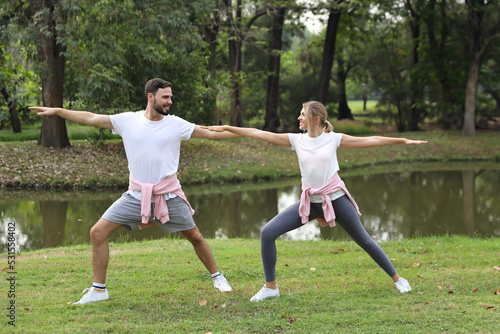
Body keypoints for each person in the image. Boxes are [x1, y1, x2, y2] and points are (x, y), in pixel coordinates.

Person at [29, 78, 241, 304]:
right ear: (150, 97)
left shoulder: (176, 124)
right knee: (97, 232)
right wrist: (59, 111)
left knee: (195, 236)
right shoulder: (127, 121)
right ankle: (99, 290)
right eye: (165, 97)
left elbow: (212, 133)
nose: (170, 101)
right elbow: (91, 118)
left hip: (168, 195)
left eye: (171, 97)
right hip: (135, 196)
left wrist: (249, 133)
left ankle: (217, 277)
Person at [206, 101, 427, 302]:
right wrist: (227, 128)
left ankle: (398, 279)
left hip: (336, 200)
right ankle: (271, 287)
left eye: (302, 115)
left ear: (316, 119)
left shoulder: (333, 139)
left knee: (365, 241)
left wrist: (402, 140)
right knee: (267, 233)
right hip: (310, 203)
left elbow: (370, 140)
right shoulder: (296, 140)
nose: (298, 118)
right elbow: (257, 133)